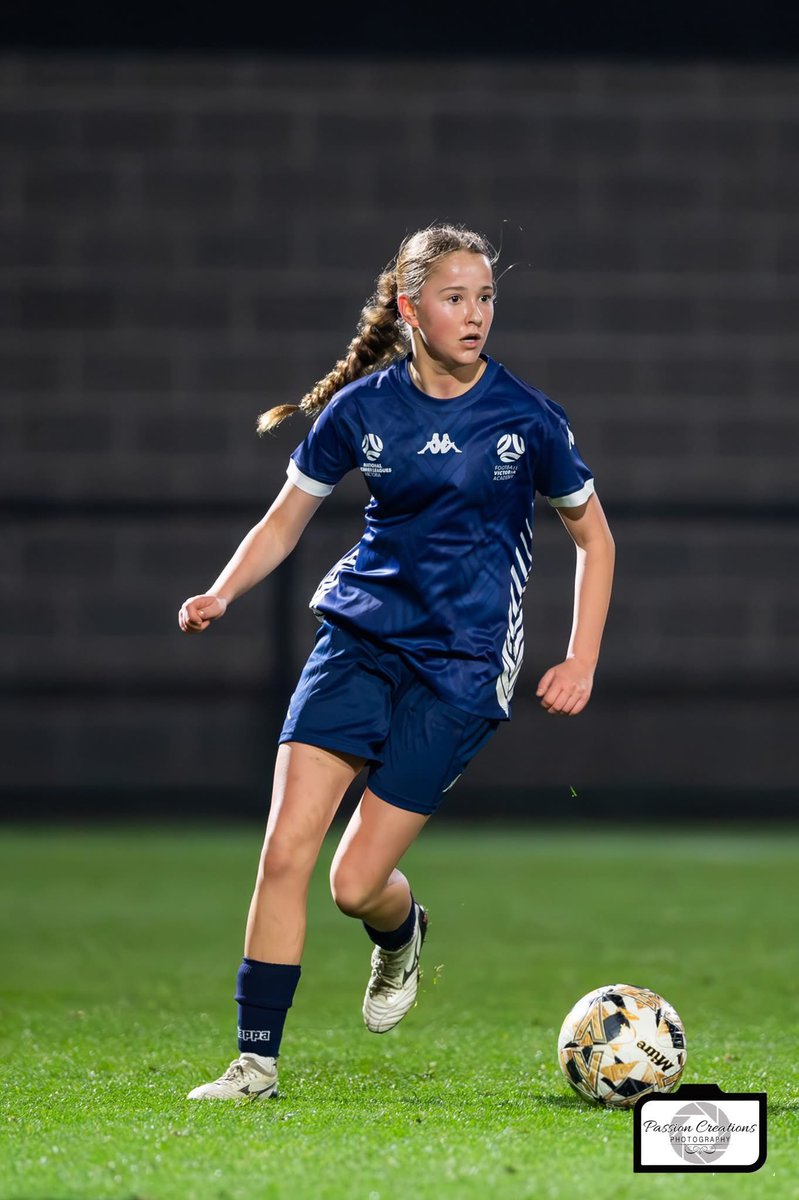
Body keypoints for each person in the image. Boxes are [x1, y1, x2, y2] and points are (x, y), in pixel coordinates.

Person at [177, 221, 615, 1101]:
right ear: (410, 309)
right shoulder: (363, 410)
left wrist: (579, 659)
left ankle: (399, 931)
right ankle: (255, 1062)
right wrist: (222, 591)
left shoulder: (526, 418)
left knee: (352, 884)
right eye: (455, 297)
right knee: (284, 850)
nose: (476, 314)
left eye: (485, 297)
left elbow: (593, 542)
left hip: (460, 666)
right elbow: (284, 521)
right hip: (358, 640)